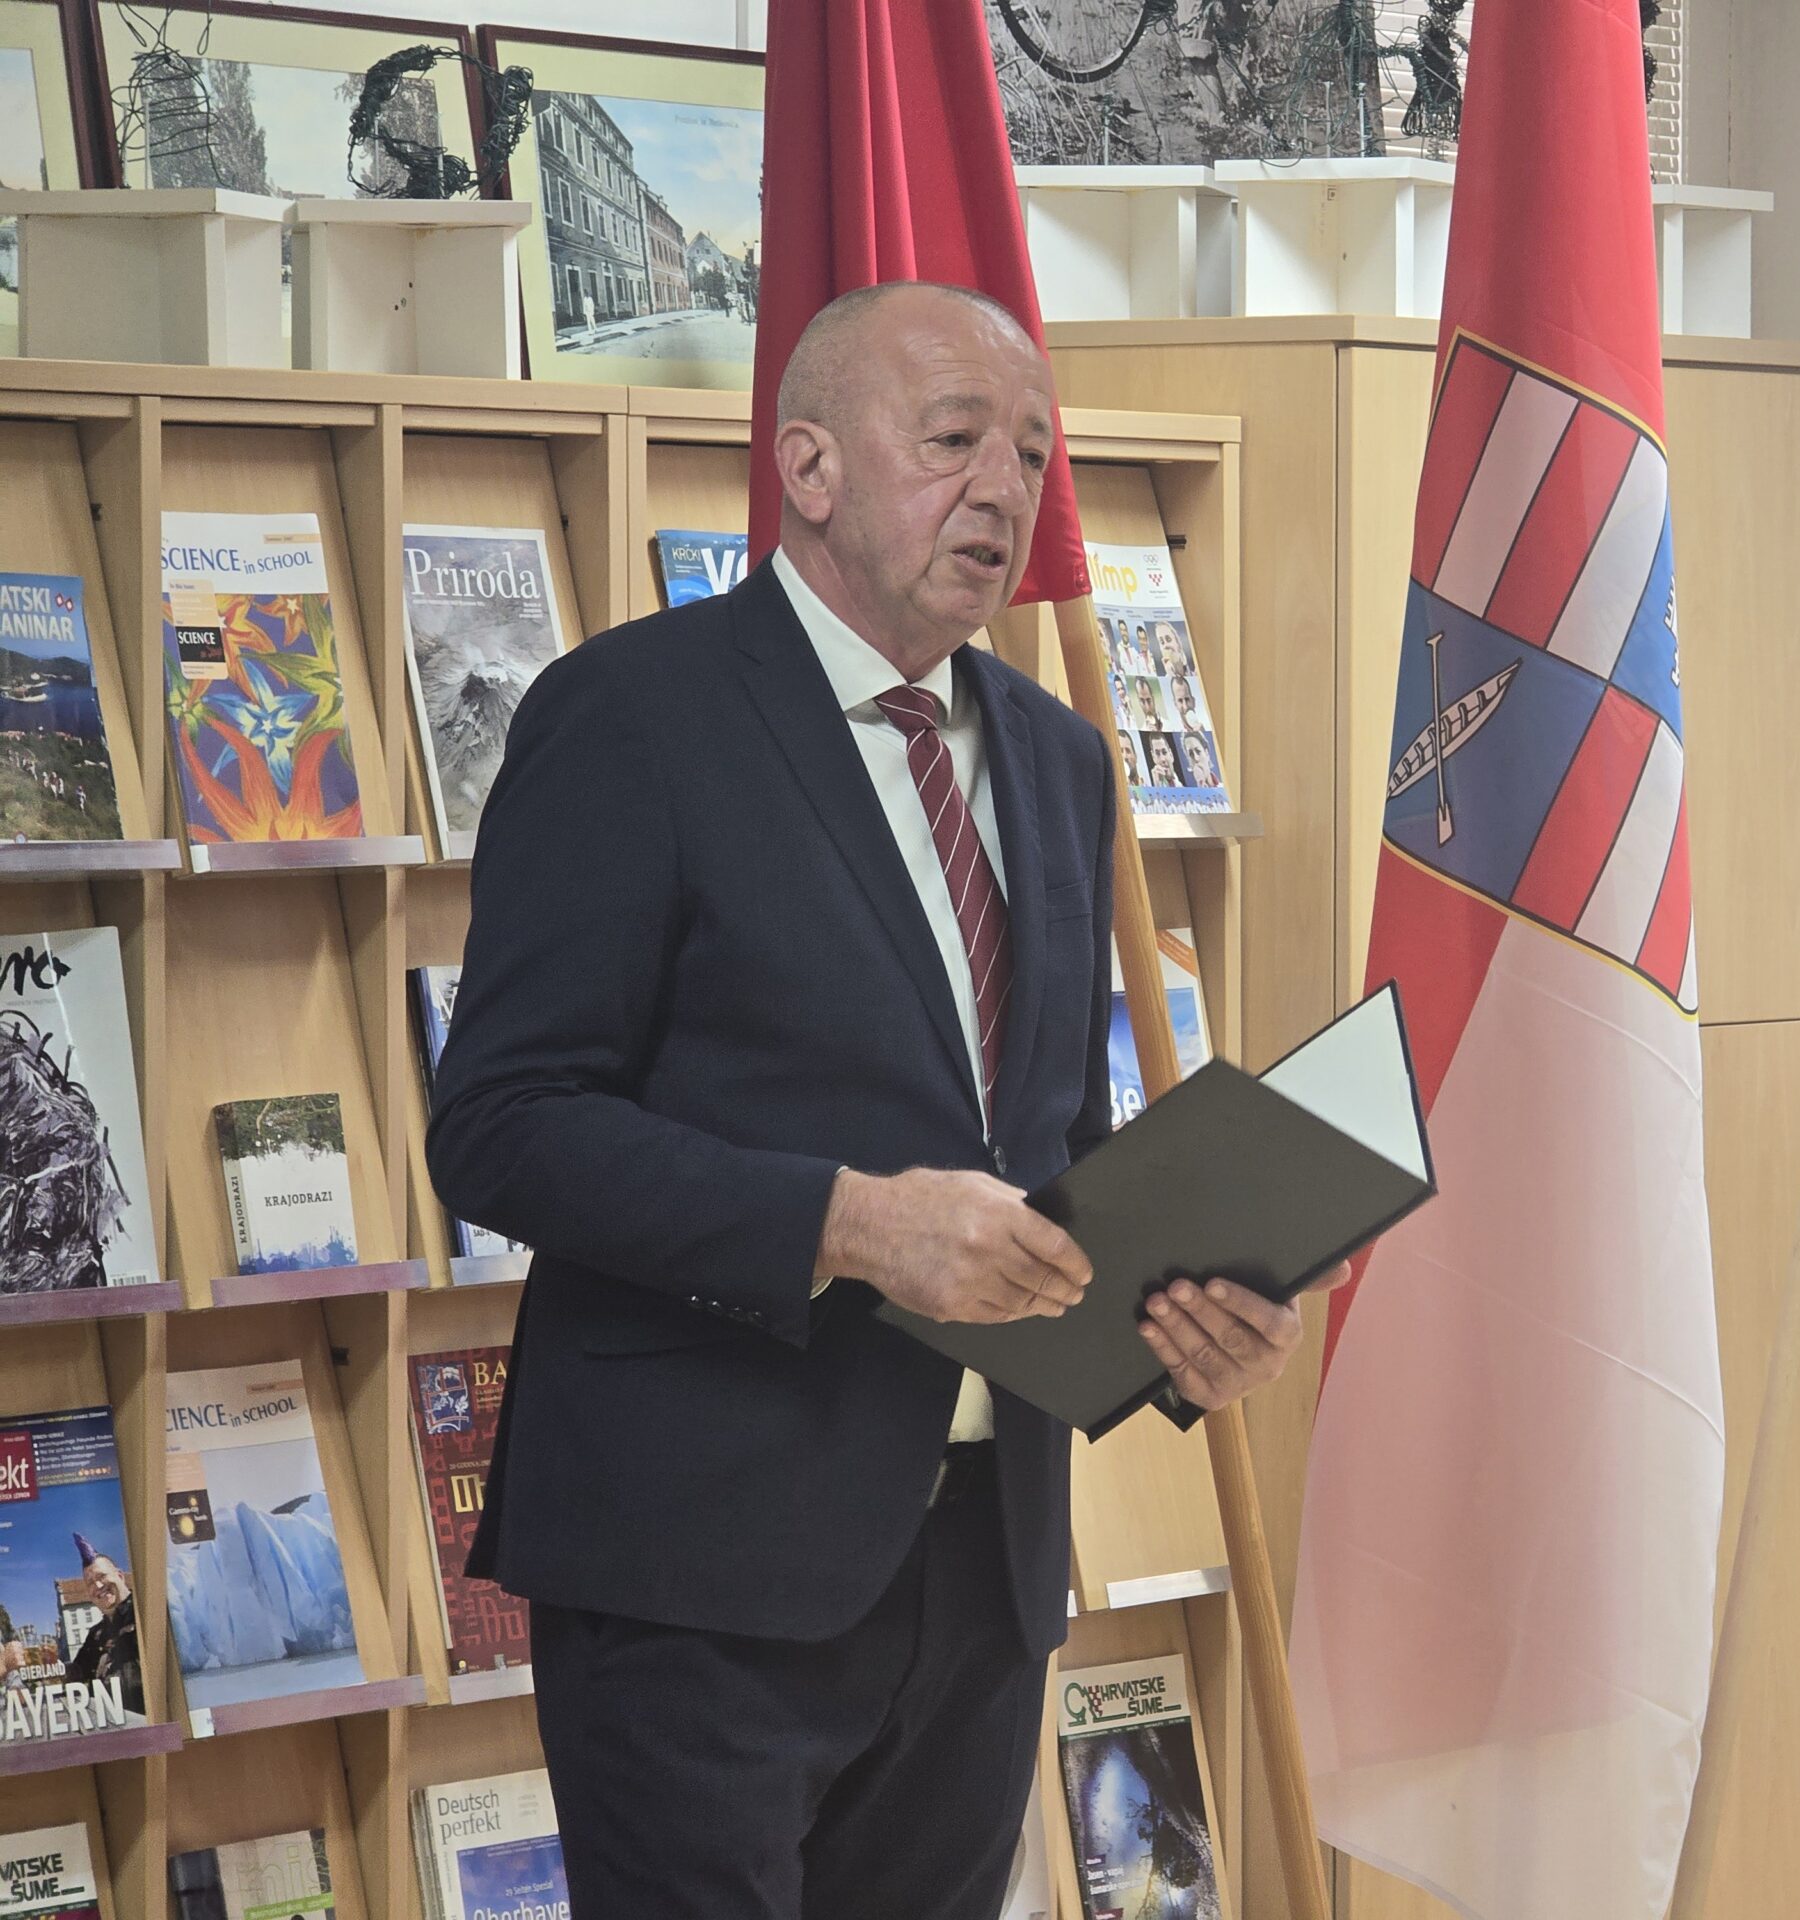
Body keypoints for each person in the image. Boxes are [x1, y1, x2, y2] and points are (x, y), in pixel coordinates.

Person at [426, 280, 1342, 1920]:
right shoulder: (633, 718)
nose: (1004, 489)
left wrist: (1182, 1316)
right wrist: (849, 1226)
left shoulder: (1060, 760)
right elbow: (503, 1122)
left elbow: (1048, 1158)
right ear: (809, 466)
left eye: (1033, 455)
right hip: (697, 1575)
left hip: (983, 1578)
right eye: (954, 440)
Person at [62, 1536, 141, 1709]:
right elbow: (75, 1677)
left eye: (102, 1576)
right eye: (90, 1582)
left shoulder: (144, 1612)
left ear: (120, 1576)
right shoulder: (95, 1636)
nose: (98, 1586)